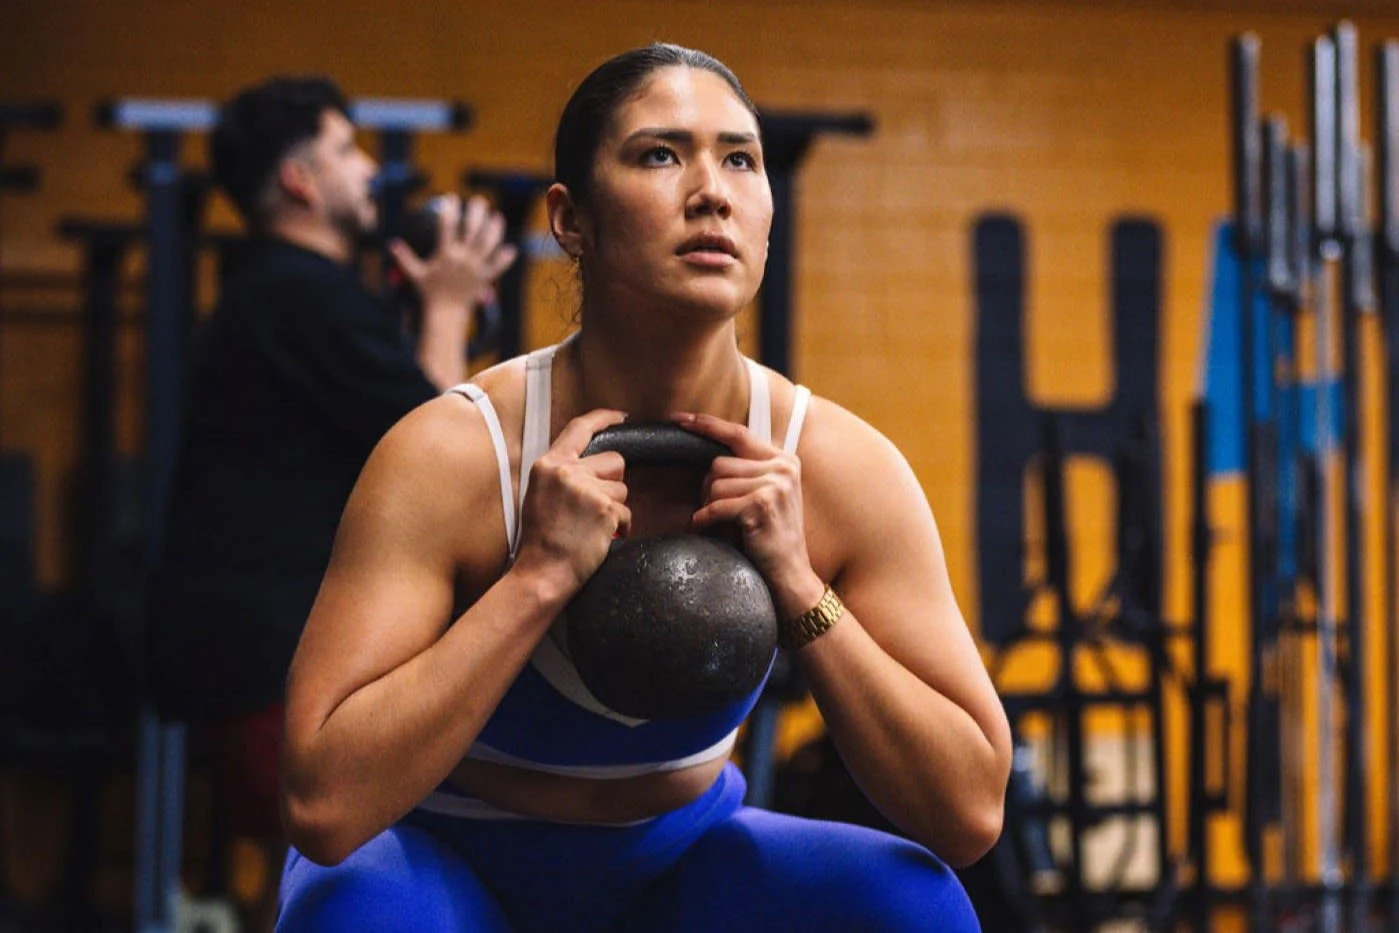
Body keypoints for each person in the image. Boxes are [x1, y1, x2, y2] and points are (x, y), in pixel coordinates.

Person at [276, 44, 1011, 931]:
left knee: (907, 901)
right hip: (442, 858)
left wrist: (800, 588)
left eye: (739, 158)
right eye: (659, 154)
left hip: (677, 869)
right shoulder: (457, 453)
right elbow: (323, 807)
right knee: (355, 914)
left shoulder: (839, 467)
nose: (712, 190)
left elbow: (969, 811)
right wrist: (537, 577)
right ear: (570, 218)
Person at [144, 75, 515, 929]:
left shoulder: (285, 295)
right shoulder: (298, 292)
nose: (368, 174)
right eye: (346, 151)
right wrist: (449, 306)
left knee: (313, 880)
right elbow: (442, 455)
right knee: (336, 871)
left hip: (265, 648)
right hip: (270, 655)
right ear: (301, 181)